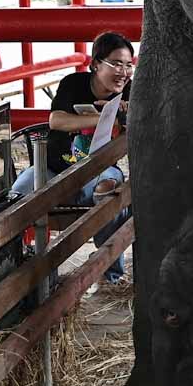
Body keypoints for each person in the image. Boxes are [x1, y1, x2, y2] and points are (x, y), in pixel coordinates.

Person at [13, 31, 133, 281]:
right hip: (54, 167)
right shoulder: (73, 83)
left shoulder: (131, 92)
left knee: (109, 191)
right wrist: (104, 116)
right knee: (17, 196)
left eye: (128, 65)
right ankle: (22, 272)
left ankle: (109, 274)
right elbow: (56, 121)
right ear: (96, 64)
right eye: (116, 63)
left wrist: (127, 116)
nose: (123, 72)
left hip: (99, 167)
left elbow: (137, 131)